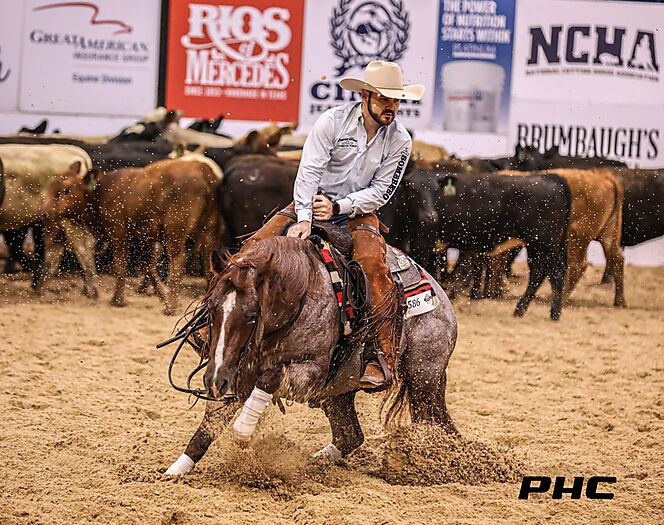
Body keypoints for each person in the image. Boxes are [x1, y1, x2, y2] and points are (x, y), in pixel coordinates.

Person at [243, 60, 424, 388]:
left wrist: (340, 206)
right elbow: (309, 171)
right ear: (366, 96)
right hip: (313, 202)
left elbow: (381, 192)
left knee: (373, 266)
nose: (391, 107)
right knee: (254, 247)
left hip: (359, 212)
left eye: (396, 100)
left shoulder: (400, 140)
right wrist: (304, 218)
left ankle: (380, 356)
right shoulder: (333, 121)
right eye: (384, 99)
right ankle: (212, 322)